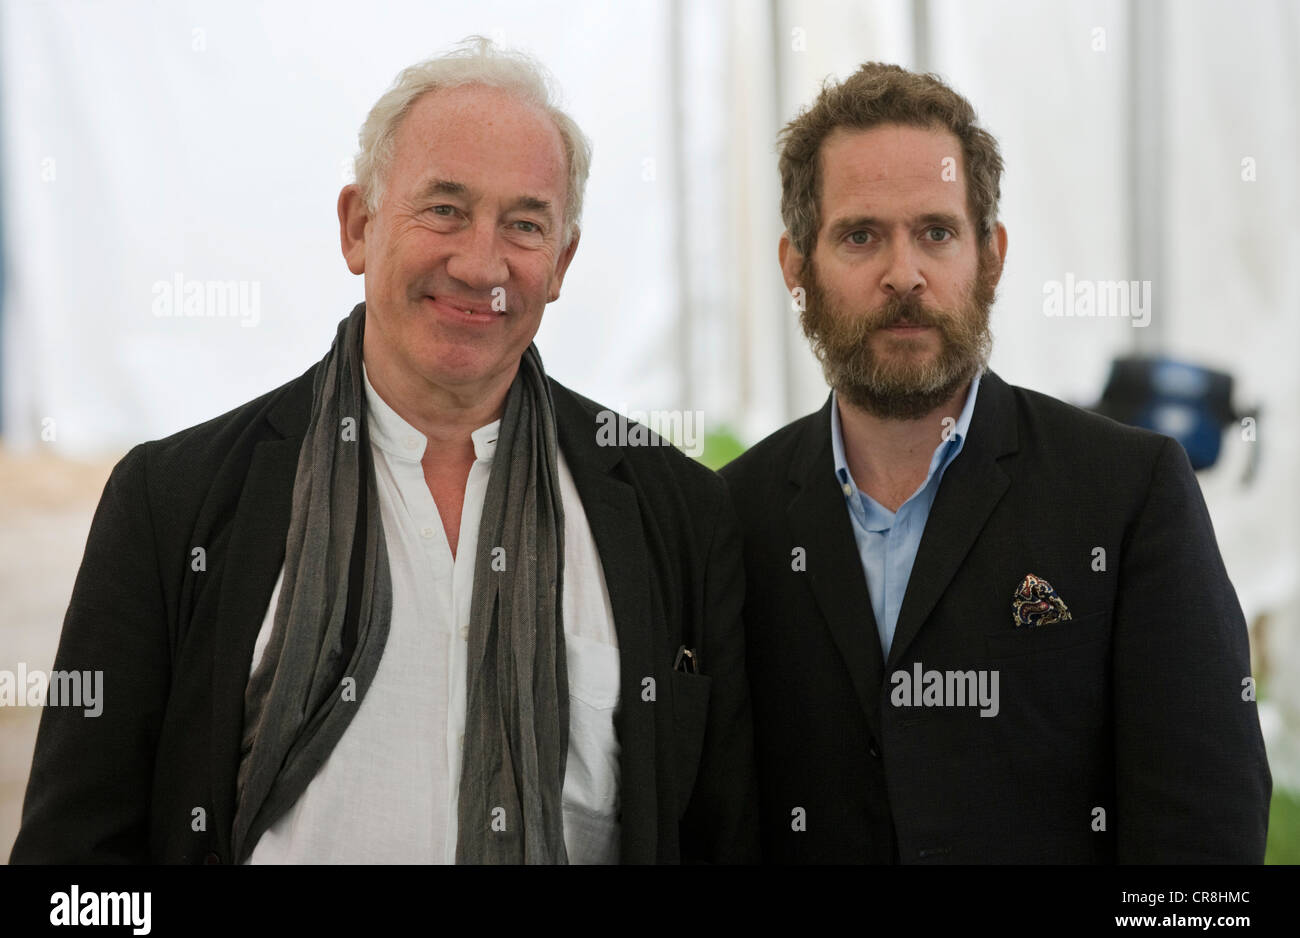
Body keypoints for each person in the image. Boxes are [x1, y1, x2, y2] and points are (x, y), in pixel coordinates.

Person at [12, 37, 757, 865]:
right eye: (443, 208)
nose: (481, 263)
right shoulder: (173, 500)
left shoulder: (673, 513)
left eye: (524, 224)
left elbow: (722, 839)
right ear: (359, 226)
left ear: (561, 262)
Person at [721, 62, 1270, 863]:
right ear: (796, 268)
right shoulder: (731, 516)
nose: (903, 273)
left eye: (936, 232)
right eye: (861, 234)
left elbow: (1204, 835)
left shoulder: (1127, 493)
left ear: (992, 255)